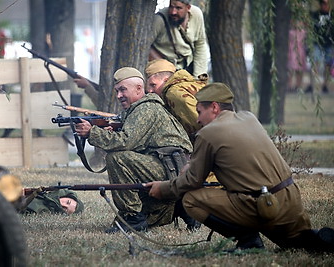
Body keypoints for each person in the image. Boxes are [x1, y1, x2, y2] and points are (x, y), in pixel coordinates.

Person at [146, 82, 334, 252]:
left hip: (263, 206)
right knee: (298, 244)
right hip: (291, 200)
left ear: (214, 107)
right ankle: (315, 238)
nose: (197, 119)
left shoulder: (208, 134)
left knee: (191, 200)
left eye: (200, 111)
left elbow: (192, 181)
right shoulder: (249, 118)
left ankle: (248, 242)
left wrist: (162, 188)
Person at [75, 67, 193, 233]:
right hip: (170, 168)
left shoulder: (146, 108)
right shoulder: (139, 109)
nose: (119, 96)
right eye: (117, 91)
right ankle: (181, 209)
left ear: (139, 88)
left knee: (117, 158)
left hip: (171, 170)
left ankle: (134, 217)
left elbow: (125, 142)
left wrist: (92, 133)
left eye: (123, 90)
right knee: (133, 218)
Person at [145, 59, 207, 143]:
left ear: (166, 80)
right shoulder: (186, 84)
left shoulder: (172, 92)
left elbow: (199, 123)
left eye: (153, 85)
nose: (150, 91)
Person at [149, 0, 209, 78]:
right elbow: (145, 46)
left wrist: (199, 77)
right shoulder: (159, 19)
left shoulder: (196, 14)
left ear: (188, 8)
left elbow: (200, 44)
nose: (173, 12)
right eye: (171, 6)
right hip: (165, 72)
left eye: (178, 8)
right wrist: (165, 67)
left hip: (188, 68)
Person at [307, 0, 334, 93]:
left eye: (326, 3)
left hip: (329, 44)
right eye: (323, 3)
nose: (324, 5)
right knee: (314, 63)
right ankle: (312, 85)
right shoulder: (315, 15)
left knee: (327, 65)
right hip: (317, 43)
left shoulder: (332, 16)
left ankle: (325, 85)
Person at [287, 20, 308, 93]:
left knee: (299, 70)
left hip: (300, 53)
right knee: (290, 70)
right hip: (292, 52)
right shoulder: (290, 32)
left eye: (300, 22)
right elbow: (289, 43)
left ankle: (298, 86)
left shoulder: (303, 32)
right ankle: (289, 86)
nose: (298, 23)